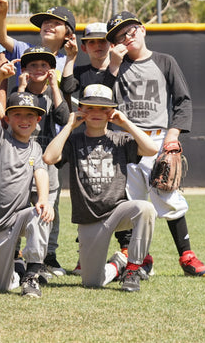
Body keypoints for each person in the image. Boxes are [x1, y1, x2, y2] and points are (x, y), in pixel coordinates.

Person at [106, 11, 205, 277]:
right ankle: (140, 258)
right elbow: (104, 99)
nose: (126, 38)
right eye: (119, 37)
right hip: (124, 140)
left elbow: (182, 100)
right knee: (129, 202)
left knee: (168, 196)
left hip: (157, 137)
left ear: (142, 30)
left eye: (130, 31)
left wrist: (173, 134)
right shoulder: (115, 67)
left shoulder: (165, 61)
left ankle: (187, 256)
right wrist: (113, 66)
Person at [42, 84, 159, 292]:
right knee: (92, 282)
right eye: (90, 107)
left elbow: (152, 149)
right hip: (89, 219)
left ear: (111, 112)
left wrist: (126, 123)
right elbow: (48, 158)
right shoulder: (74, 141)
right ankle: (118, 264)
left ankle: (132, 270)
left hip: (117, 212)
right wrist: (69, 126)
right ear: (81, 109)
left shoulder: (120, 139)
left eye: (103, 108)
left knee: (146, 208)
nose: (96, 113)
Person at [0, 60, 53, 298]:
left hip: (17, 219)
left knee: (41, 213)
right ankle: (17, 268)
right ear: (7, 118)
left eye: (30, 115)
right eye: (17, 114)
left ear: (38, 120)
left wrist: (43, 199)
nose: (24, 119)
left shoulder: (35, 148)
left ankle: (31, 276)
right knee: (0, 286)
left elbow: (41, 172)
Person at [59, 21, 123, 276]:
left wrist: (116, 66)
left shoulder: (123, 69)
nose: (98, 45)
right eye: (92, 42)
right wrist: (70, 58)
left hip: (115, 142)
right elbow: (66, 88)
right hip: (86, 142)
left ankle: (128, 253)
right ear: (84, 46)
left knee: (119, 196)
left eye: (103, 41)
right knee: (88, 196)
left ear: (111, 43)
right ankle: (84, 255)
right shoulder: (81, 71)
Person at [12, 46, 69, 279]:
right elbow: (10, 117)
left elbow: (64, 118)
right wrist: (21, 88)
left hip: (47, 162)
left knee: (48, 211)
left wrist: (55, 87)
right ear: (24, 69)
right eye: (33, 65)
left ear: (51, 69)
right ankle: (15, 255)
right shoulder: (18, 90)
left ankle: (47, 256)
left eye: (44, 65)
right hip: (21, 160)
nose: (38, 69)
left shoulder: (54, 92)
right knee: (17, 209)